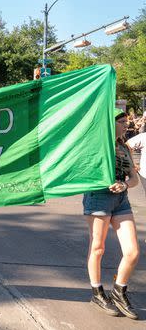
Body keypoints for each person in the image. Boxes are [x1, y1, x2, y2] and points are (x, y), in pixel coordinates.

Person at [83, 109, 140, 320]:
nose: (127, 125)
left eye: (126, 121)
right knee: (98, 247)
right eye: (122, 121)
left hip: (121, 200)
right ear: (110, 123)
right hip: (98, 198)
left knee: (132, 251)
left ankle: (119, 291)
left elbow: (133, 179)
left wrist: (124, 185)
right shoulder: (97, 145)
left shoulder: (124, 147)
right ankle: (97, 292)